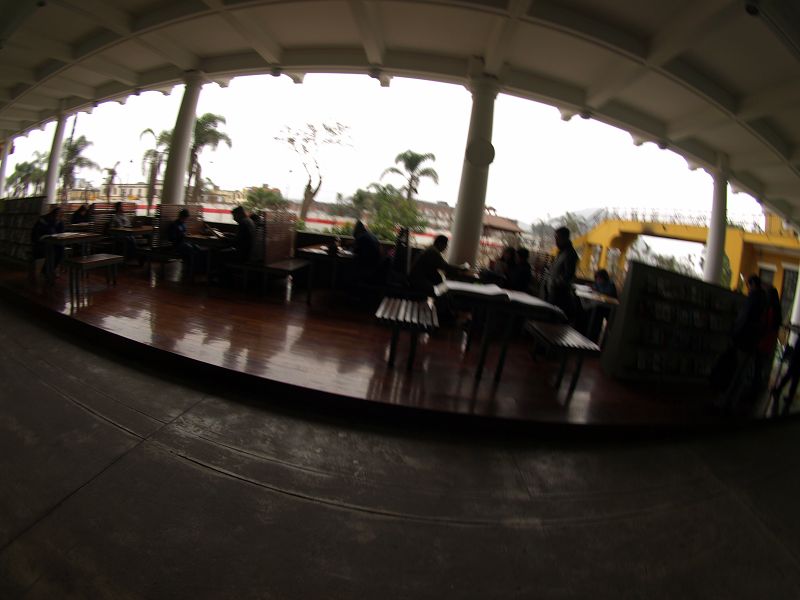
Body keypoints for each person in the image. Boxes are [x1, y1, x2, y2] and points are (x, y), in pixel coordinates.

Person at [545, 226, 578, 318]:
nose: (556, 241)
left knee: (553, 321)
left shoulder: (570, 254)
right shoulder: (562, 252)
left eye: (558, 238)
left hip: (559, 296)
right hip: (553, 293)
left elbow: (568, 275)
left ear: (565, 238)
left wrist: (554, 283)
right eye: (555, 238)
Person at [31, 206, 65, 273]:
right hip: (40, 242)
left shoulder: (59, 221)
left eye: (60, 215)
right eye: (57, 214)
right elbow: (39, 233)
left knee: (60, 250)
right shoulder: (43, 220)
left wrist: (59, 222)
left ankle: (48, 270)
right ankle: (48, 271)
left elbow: (61, 232)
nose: (58, 217)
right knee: (52, 251)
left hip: (53, 242)